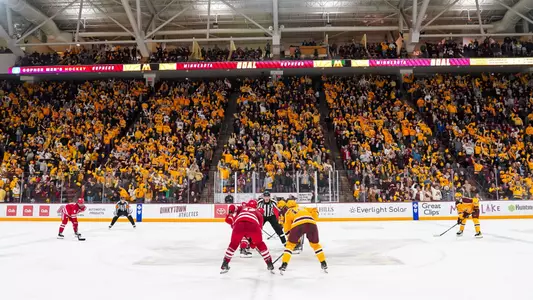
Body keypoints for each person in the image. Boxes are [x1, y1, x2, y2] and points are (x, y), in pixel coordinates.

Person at [221, 199, 274, 274]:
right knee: (260, 244)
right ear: (256, 206)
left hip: (239, 223)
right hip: (253, 225)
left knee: (233, 244)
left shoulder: (243, 207)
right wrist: (253, 243)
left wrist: (230, 214)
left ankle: (225, 263)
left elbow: (232, 206)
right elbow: (259, 229)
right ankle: (269, 263)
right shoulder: (258, 212)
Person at [279, 200, 327, 273]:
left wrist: (291, 238)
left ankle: (284, 264)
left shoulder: (288, 212)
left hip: (298, 225)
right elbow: (314, 209)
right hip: (312, 224)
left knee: (290, 245)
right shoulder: (303, 208)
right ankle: (323, 262)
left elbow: (287, 228)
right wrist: (314, 218)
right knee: (315, 245)